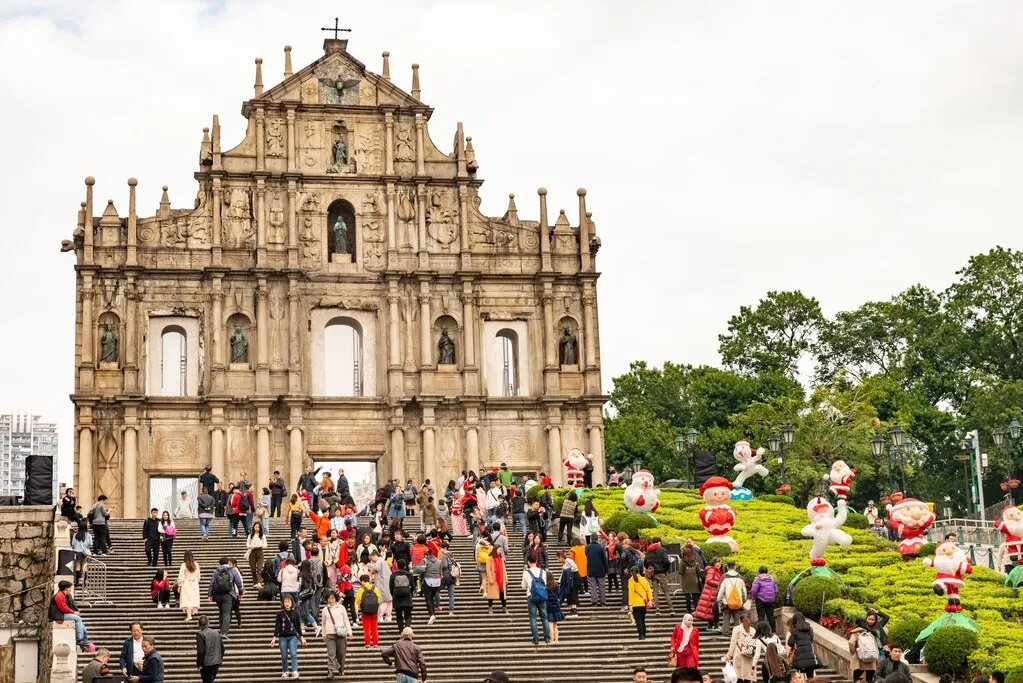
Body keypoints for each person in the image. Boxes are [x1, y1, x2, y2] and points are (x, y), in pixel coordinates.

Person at [49, 580, 95, 652]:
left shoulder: (62, 595)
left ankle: (85, 644)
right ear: (66, 588)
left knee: (83, 628)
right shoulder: (59, 596)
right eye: (70, 588)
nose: (70, 589)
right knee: (77, 618)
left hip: (61, 614)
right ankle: (79, 639)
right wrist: (73, 612)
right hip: (58, 615)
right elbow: (63, 608)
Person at [271, 594, 306, 678]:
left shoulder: (296, 613)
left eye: (289, 601)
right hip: (282, 637)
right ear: (282, 603)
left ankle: (294, 671)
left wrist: (301, 637)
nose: (287, 603)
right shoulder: (279, 614)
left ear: (292, 603)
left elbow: (298, 626)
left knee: (293, 654)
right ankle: (285, 671)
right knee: (284, 655)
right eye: (285, 601)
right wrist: (274, 637)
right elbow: (278, 626)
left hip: (292, 636)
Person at [208, 556, 243, 639]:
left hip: (218, 595)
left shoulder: (216, 571)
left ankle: (222, 630)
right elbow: (238, 582)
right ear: (227, 562)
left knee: (221, 612)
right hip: (228, 594)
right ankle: (224, 632)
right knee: (226, 613)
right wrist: (240, 592)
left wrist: (210, 595)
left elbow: (212, 583)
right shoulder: (232, 570)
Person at [321, 591, 352, 680]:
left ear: (336, 598)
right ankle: (330, 671)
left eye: (332, 598)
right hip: (330, 634)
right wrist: (323, 633)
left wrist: (349, 631)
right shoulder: (325, 610)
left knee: (341, 653)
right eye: (329, 598)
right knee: (331, 653)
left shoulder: (341, 608)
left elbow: (346, 620)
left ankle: (340, 668)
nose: (331, 600)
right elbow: (323, 623)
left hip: (341, 634)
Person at [522, 556, 551, 645]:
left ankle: (536, 638)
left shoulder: (526, 573)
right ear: (536, 561)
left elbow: (523, 586)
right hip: (542, 596)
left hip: (531, 596)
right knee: (544, 617)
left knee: (533, 618)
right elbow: (545, 583)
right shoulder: (542, 572)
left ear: (528, 562)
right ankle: (547, 638)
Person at [644, 536, 675, 614]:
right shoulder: (662, 550)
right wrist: (665, 568)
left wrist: (650, 568)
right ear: (659, 542)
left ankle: (657, 609)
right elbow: (667, 561)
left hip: (653, 574)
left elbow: (645, 563)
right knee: (666, 591)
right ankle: (671, 609)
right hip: (661, 573)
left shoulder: (648, 551)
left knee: (655, 591)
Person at [725, 613, 757, 683]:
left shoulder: (737, 629)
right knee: (747, 677)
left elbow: (733, 642)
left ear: (740, 620)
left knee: (738, 675)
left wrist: (729, 654)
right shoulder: (753, 630)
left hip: (739, 654)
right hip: (749, 655)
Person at [717, 561, 748, 633]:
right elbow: (744, 591)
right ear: (735, 567)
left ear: (727, 567)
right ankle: (737, 633)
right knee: (737, 619)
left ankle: (725, 633)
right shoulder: (740, 577)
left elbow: (721, 590)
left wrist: (719, 601)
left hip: (726, 602)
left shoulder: (724, 577)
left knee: (726, 619)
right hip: (737, 602)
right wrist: (743, 601)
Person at [694, 556, 722, 631]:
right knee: (714, 610)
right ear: (713, 563)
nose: (718, 564)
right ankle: (714, 626)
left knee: (711, 610)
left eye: (719, 562)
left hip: (712, 593)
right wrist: (719, 583)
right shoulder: (712, 570)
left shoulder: (717, 571)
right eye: (716, 562)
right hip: (710, 593)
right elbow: (708, 580)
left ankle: (711, 626)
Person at [786, 612, 817, 678]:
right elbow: (811, 639)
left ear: (794, 620)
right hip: (810, 656)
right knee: (810, 677)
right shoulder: (809, 629)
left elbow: (790, 643)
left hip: (799, 658)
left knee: (796, 676)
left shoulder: (794, 630)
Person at [849, 618, 880, 683]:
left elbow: (851, 643)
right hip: (871, 659)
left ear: (856, 624)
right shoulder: (870, 634)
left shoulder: (855, 634)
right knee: (870, 680)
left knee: (857, 679)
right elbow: (875, 645)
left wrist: (853, 652)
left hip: (860, 660)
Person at [195, 615, 224, 683]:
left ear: (199, 625)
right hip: (216, 662)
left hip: (206, 664)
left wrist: (199, 663)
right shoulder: (216, 633)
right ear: (208, 623)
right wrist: (220, 659)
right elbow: (222, 648)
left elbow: (201, 651)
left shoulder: (200, 634)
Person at [356, 573, 382, 648]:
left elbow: (358, 601)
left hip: (365, 612)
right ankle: (375, 643)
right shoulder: (375, 588)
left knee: (367, 628)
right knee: (374, 628)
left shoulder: (361, 589)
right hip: (374, 611)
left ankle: (367, 643)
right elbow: (379, 599)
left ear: (362, 581)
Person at [627, 566, 653, 640]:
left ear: (632, 572)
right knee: (642, 620)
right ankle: (644, 635)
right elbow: (649, 590)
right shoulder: (644, 579)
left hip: (636, 603)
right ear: (639, 572)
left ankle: (641, 635)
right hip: (644, 603)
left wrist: (630, 605)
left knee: (638, 620)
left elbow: (631, 593)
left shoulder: (631, 580)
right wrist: (650, 600)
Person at [750, 566, 778, 633]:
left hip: (760, 600)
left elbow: (754, 590)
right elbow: (776, 590)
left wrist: (754, 598)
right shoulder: (771, 579)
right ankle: (773, 631)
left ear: (759, 572)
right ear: (767, 572)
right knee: (771, 616)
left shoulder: (757, 579)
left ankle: (761, 632)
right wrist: (773, 597)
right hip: (770, 601)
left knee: (761, 616)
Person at [176, 550, 201, 621]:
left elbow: (181, 576)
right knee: (193, 598)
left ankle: (189, 615)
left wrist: (179, 585)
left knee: (187, 599)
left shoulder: (184, 565)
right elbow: (198, 576)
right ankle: (192, 612)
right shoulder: (196, 564)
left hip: (186, 583)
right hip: (195, 583)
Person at [585, 536, 609, 606]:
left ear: (591, 539)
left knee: (593, 586)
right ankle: (603, 601)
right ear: (597, 539)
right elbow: (604, 559)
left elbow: (586, 556)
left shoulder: (587, 547)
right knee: (602, 586)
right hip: (600, 569)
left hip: (591, 569)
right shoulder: (601, 547)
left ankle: (594, 601)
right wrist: (606, 570)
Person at [421, 548, 443, 624]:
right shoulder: (439, 561)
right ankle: (432, 613)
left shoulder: (425, 560)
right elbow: (440, 573)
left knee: (428, 599)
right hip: (437, 581)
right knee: (432, 598)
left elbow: (423, 571)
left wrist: (421, 579)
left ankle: (431, 615)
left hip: (428, 580)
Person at [485, 543, 508, 614]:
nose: (500, 552)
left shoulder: (500, 558)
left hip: (501, 578)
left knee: (502, 594)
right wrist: (490, 578)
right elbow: (488, 569)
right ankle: (490, 608)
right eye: (499, 550)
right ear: (495, 550)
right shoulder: (490, 558)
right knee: (491, 595)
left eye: (501, 551)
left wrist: (506, 577)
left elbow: (504, 569)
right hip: (493, 578)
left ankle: (504, 607)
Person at [679, 547, 703, 614]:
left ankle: (689, 611)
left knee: (687, 598)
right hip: (695, 581)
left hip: (686, 581)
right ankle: (697, 610)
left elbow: (680, 572)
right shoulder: (695, 560)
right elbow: (699, 571)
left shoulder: (683, 561)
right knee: (695, 597)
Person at [545, 571, 564, 643]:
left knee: (550, 624)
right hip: (556, 606)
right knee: (555, 625)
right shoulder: (556, 585)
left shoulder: (545, 586)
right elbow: (559, 595)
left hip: (548, 606)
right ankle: (557, 640)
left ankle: (551, 639)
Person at [247, 522, 267, 587]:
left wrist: (260, 545)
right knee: (253, 569)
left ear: (260, 528)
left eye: (258, 527)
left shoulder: (262, 536)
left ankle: (259, 582)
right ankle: (255, 582)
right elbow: (247, 544)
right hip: (252, 552)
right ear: (253, 527)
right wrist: (250, 546)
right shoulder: (250, 535)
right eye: (256, 527)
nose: (257, 528)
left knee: (259, 568)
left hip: (260, 552)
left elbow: (265, 545)